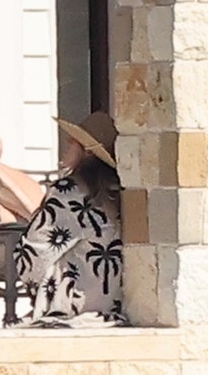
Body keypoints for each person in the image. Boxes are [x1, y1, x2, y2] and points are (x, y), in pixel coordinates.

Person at [14, 112, 123, 327]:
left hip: (72, 306)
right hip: (113, 303)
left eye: (73, 140)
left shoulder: (69, 192)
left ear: (87, 151)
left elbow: (31, 257)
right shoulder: (118, 192)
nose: (66, 143)